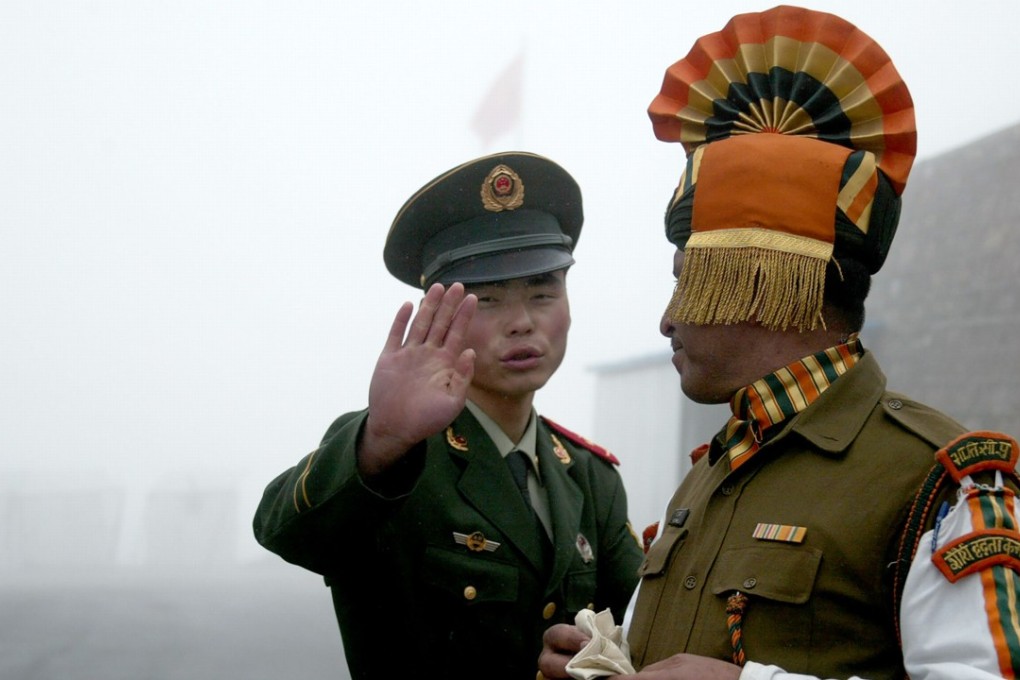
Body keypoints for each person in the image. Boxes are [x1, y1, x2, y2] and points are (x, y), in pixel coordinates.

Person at [538, 6, 1020, 680]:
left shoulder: (938, 480)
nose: (667, 320)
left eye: (688, 283)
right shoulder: (711, 472)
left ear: (761, 282)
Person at [252, 151, 644, 680]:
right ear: (440, 317)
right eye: (487, 300)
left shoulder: (590, 478)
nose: (523, 322)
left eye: (543, 293)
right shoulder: (395, 454)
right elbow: (285, 530)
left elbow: (645, 624)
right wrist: (382, 437)